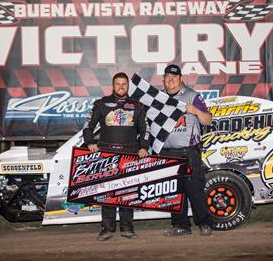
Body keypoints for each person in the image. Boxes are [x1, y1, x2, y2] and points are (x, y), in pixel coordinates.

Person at [83, 72, 150, 241]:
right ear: (113, 86)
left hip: (130, 153)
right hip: (107, 154)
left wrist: (143, 147)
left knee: (127, 192)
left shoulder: (138, 106)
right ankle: (107, 229)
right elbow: (87, 127)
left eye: (124, 84)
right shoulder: (101, 103)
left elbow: (145, 130)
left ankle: (127, 228)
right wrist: (90, 142)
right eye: (118, 84)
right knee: (107, 193)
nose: (121, 87)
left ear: (128, 86)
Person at [160, 64, 213, 236]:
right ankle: (181, 226)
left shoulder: (192, 95)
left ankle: (204, 223)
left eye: (174, 78)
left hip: (188, 152)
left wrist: (196, 110)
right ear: (164, 80)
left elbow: (207, 121)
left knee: (195, 190)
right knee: (173, 192)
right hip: (166, 152)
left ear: (180, 79)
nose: (170, 81)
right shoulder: (159, 98)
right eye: (167, 78)